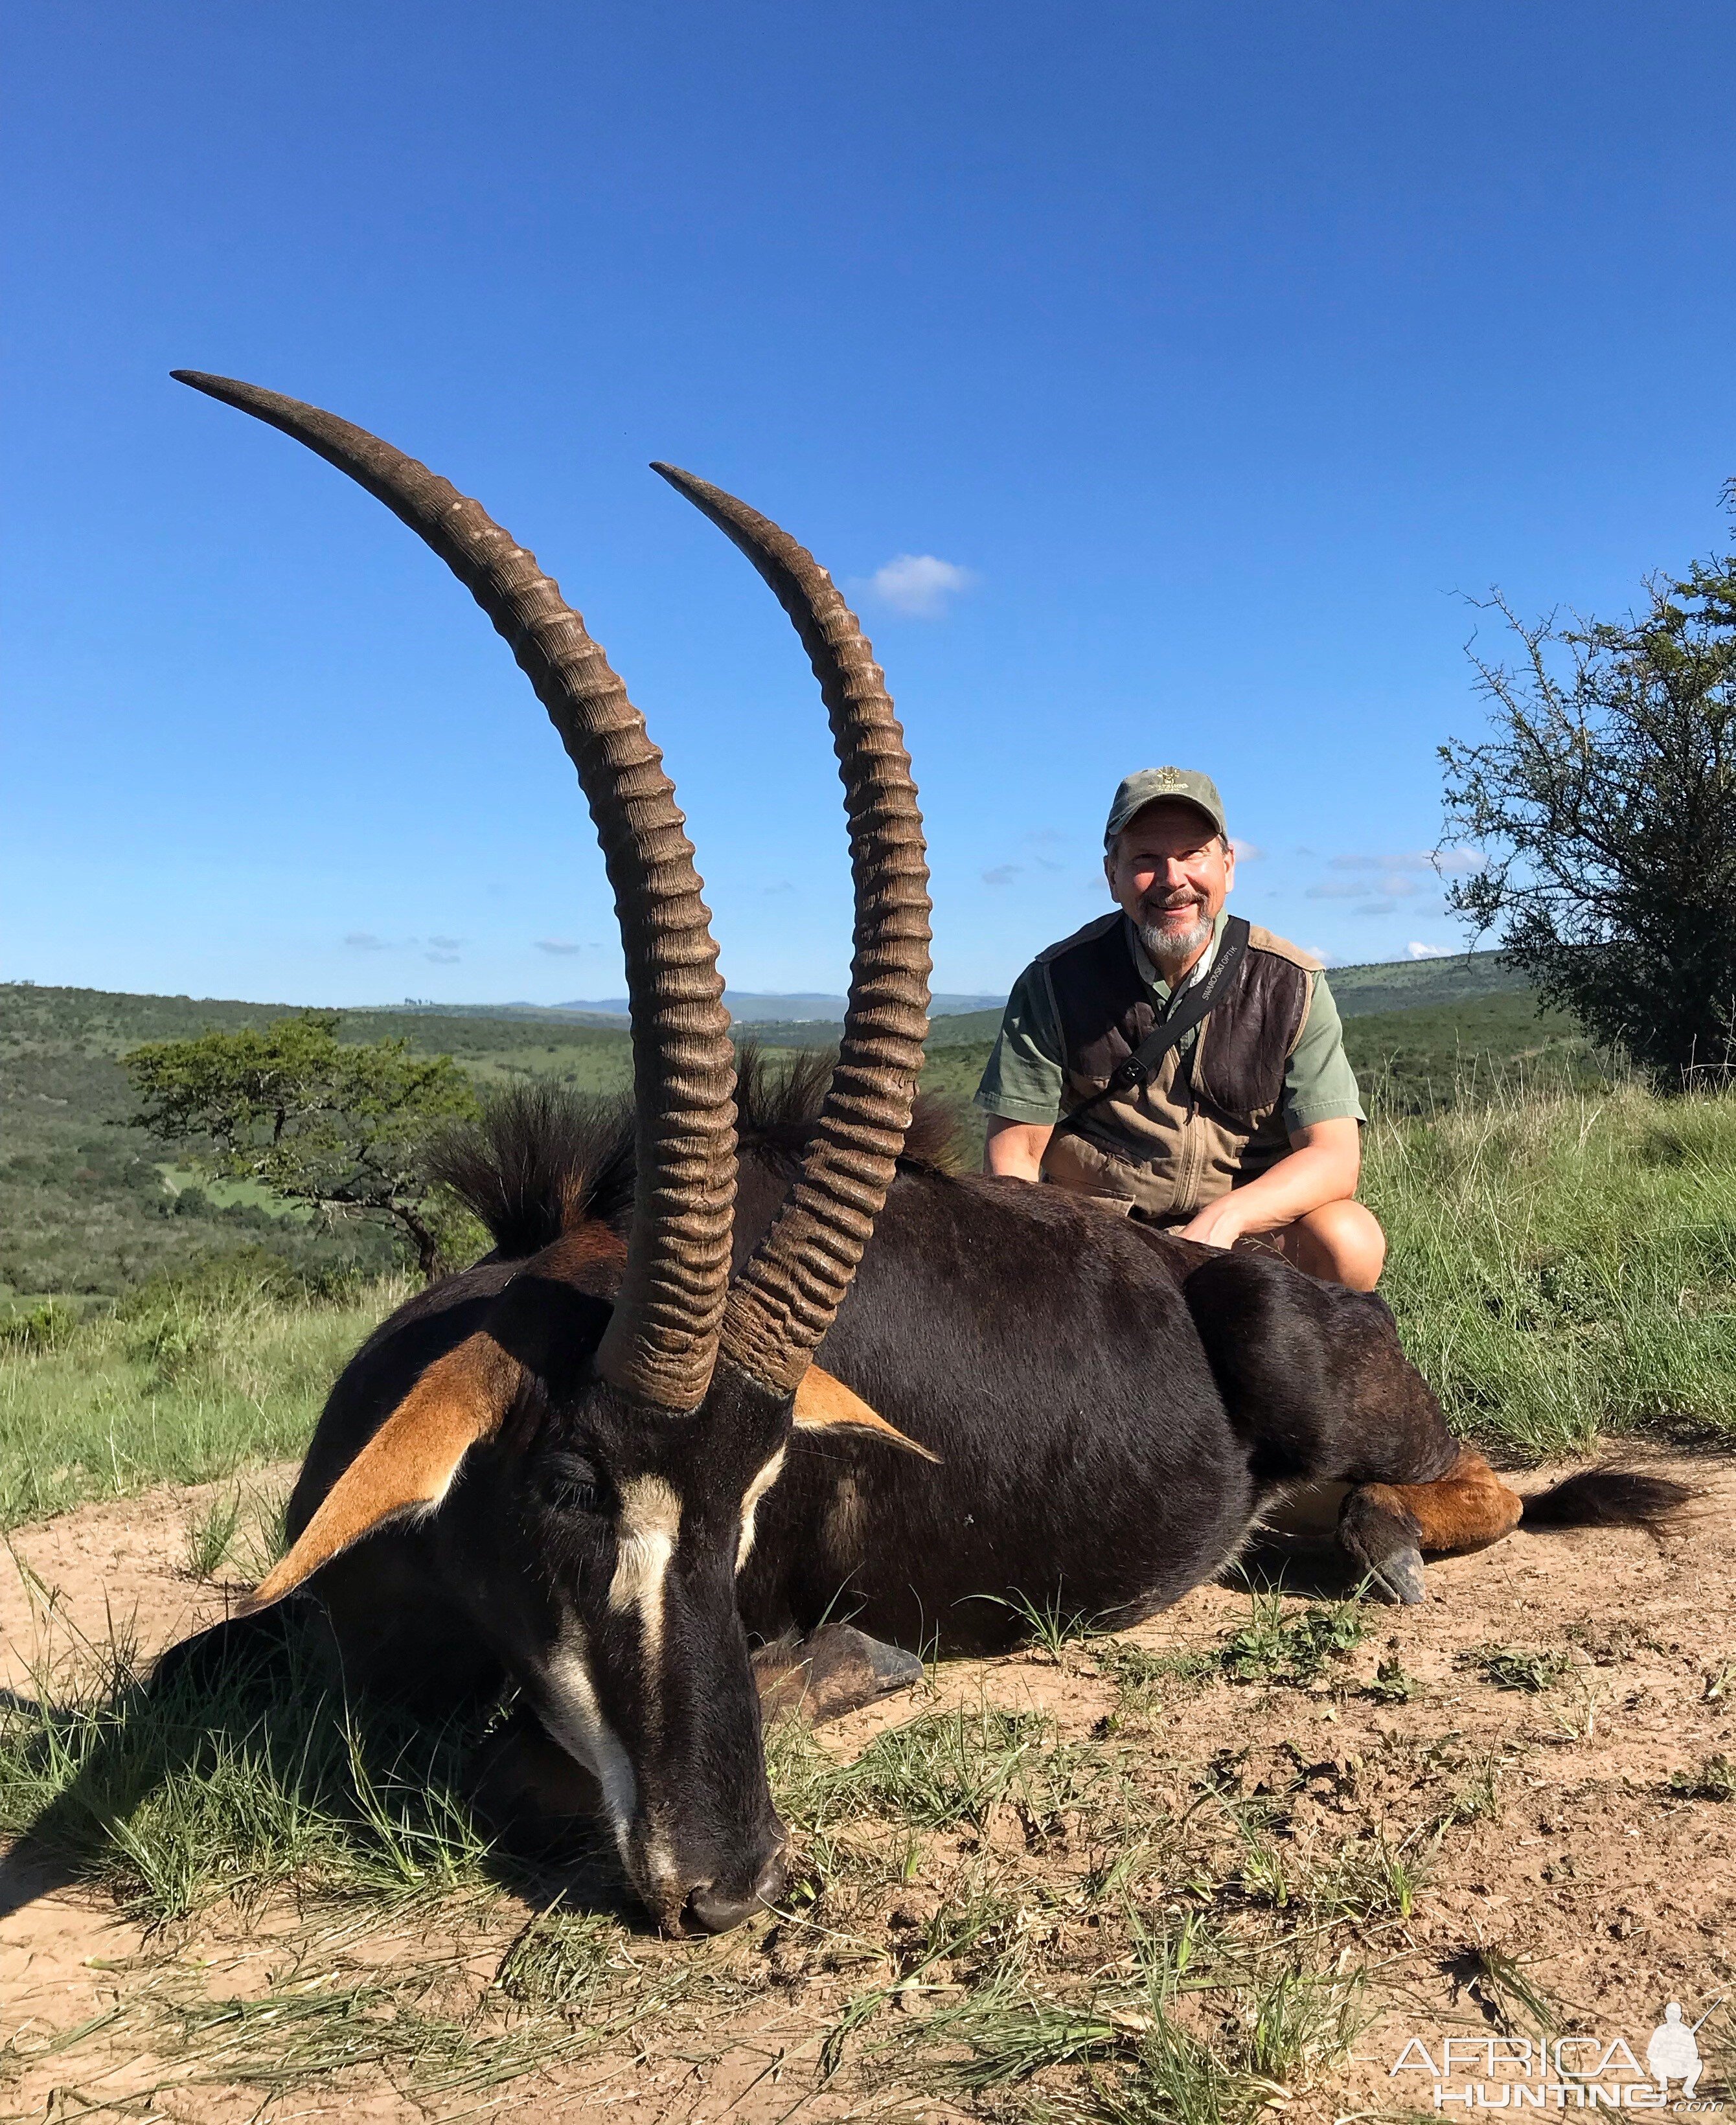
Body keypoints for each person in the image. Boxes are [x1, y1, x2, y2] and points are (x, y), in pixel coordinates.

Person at [974, 767, 1386, 1290]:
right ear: (1112, 876)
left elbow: (1333, 1157)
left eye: (1193, 854)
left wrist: (1227, 1218)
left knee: (1349, 1240)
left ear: (1229, 867)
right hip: (1107, 1240)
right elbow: (1014, 1157)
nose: (1173, 879)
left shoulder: (1291, 983)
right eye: (1146, 859)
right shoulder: (1054, 982)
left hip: (1240, 1238)